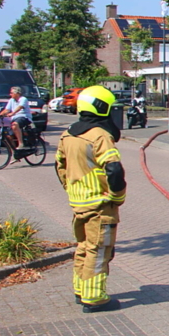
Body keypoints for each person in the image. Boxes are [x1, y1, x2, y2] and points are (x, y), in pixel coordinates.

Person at [55, 86, 126, 313]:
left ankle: (81, 290)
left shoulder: (68, 134)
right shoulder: (99, 136)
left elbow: (61, 168)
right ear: (102, 108)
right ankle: (95, 298)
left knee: (83, 247)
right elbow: (114, 170)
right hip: (100, 205)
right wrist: (117, 196)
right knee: (99, 250)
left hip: (79, 204)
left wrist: (73, 191)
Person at [0, 85, 32, 151]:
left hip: (24, 117)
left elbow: (20, 107)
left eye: (11, 93)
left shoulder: (23, 99)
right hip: (14, 118)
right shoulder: (11, 100)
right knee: (8, 136)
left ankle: (21, 143)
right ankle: (15, 152)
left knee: (15, 125)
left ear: (17, 93)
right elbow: (7, 110)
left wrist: (13, 113)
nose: (10, 94)